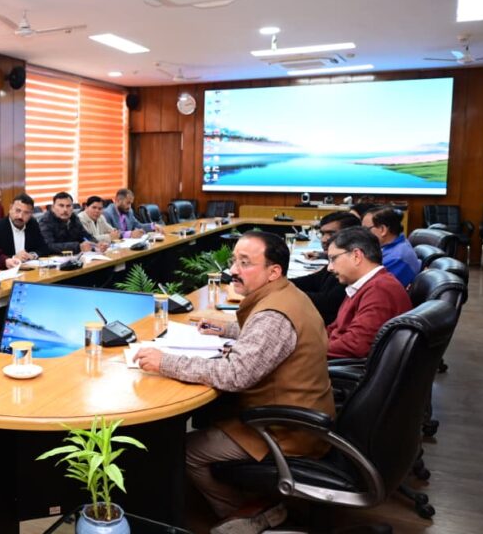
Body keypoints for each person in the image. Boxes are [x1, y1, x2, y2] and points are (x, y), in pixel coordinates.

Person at [135, 232, 334, 533]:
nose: (233, 270)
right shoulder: (287, 295)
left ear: (273, 272)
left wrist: (165, 362)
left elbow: (234, 374)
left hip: (285, 429)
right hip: (298, 413)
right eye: (234, 261)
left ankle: (250, 515)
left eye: (245, 263)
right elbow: (266, 338)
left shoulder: (273, 315)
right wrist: (226, 330)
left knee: (185, 451)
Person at [324, 227, 412, 359]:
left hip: (343, 365)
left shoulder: (380, 290)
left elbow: (356, 345)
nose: (329, 267)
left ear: (356, 256)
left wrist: (309, 351)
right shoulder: (364, 284)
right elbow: (335, 328)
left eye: (333, 259)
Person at [290, 211, 361, 325]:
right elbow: (313, 280)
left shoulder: (354, 265)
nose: (324, 239)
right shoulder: (334, 260)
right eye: (322, 234)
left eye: (331, 234)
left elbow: (328, 303)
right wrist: (281, 283)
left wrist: (285, 290)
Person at [362, 205, 420, 287]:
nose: (362, 234)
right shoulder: (396, 244)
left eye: (366, 229)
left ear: (383, 230)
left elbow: (368, 285)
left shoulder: (396, 258)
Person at [0, 193, 52, 261]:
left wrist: (32, 255)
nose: (20, 216)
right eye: (18, 210)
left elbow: (44, 248)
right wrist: (13, 258)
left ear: (31, 214)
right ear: (10, 208)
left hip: (29, 266)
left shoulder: (32, 224)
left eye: (26, 213)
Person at [38, 192, 107, 254]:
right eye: (61, 206)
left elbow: (85, 235)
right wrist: (78, 246)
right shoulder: (45, 221)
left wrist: (97, 244)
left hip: (75, 256)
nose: (65, 209)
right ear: (53, 207)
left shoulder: (73, 218)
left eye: (68, 206)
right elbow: (48, 246)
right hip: (53, 259)